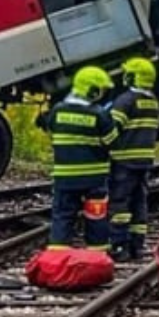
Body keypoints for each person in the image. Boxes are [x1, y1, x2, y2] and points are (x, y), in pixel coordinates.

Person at [45, 66, 118, 251]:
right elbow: (111, 141)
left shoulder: (57, 111)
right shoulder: (99, 114)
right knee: (96, 218)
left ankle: (57, 257)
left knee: (62, 216)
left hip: (65, 177)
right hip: (94, 179)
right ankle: (98, 255)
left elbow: (51, 132)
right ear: (92, 90)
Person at [107, 57, 159, 261]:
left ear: (133, 77)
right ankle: (137, 245)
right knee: (139, 202)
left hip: (123, 160)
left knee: (119, 202)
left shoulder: (125, 101)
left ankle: (119, 245)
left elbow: (112, 129)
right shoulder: (153, 102)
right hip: (144, 160)